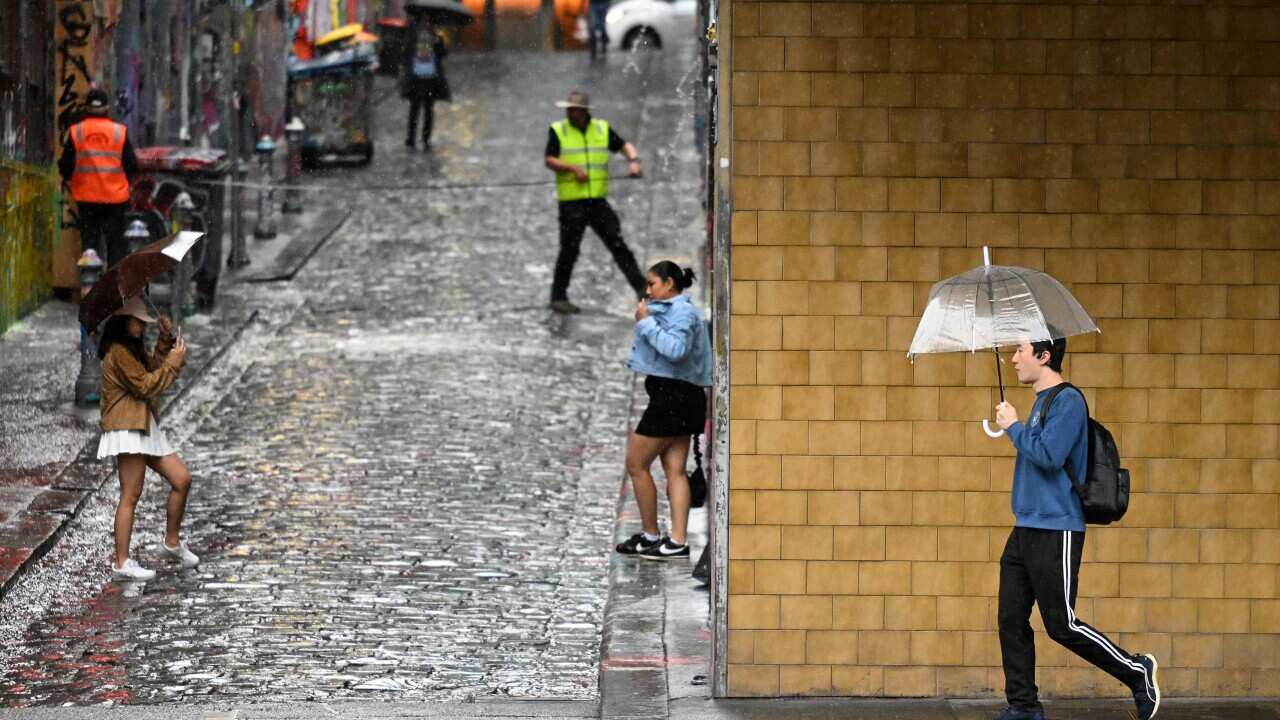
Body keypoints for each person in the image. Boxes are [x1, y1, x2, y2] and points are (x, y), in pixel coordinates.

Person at [993, 337, 1160, 720]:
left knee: (1062, 624)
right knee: (1010, 618)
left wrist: (1013, 428)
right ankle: (1023, 707)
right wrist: (1017, 427)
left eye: (1020, 350)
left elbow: (1051, 456)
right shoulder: (1038, 404)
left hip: (1058, 529)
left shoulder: (1068, 401)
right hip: (1025, 528)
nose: (1013, 358)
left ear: (1044, 355)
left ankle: (1137, 671)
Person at [615, 261, 712, 560]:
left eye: (652, 284)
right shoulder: (676, 310)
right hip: (680, 396)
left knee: (636, 463)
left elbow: (676, 350)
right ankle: (677, 541)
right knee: (675, 469)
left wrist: (645, 322)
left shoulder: (682, 312)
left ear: (669, 284)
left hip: (673, 398)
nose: (648, 291)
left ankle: (651, 534)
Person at [97, 295, 198, 581]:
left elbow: (149, 371)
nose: (142, 326)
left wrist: (165, 345)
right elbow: (145, 386)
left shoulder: (131, 349)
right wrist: (173, 364)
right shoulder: (117, 352)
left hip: (143, 425)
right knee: (131, 494)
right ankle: (122, 561)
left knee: (182, 479)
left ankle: (172, 541)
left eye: (143, 322)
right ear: (123, 322)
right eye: (137, 321)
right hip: (128, 428)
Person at [544, 90, 646, 314]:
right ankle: (558, 296)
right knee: (569, 251)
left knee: (618, 245)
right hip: (571, 202)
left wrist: (634, 161)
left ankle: (641, 288)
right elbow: (549, 159)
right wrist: (571, 168)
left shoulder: (600, 129)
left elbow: (624, 145)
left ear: (584, 112)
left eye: (574, 110)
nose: (571, 113)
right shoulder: (558, 130)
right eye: (568, 110)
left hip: (597, 201)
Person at [58, 88, 140, 268]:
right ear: (107, 108)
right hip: (115, 200)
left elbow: (65, 165)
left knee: (90, 245)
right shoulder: (119, 132)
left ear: (86, 108)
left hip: (86, 199)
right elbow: (132, 165)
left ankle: (89, 286)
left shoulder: (76, 131)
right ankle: (111, 288)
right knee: (115, 245)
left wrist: (72, 179)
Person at [402, 19, 451, 150]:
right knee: (415, 110)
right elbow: (406, 53)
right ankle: (412, 138)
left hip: (430, 79)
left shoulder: (435, 36)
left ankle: (424, 138)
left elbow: (443, 54)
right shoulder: (412, 35)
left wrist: (439, 41)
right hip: (416, 78)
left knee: (426, 110)